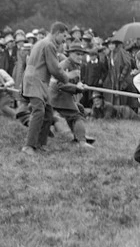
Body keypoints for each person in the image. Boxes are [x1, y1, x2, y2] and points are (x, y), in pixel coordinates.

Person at [20, 21, 70, 156]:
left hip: (37, 82)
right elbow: (55, 69)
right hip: (35, 82)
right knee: (39, 112)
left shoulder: (41, 42)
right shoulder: (49, 45)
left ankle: (40, 144)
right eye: (64, 36)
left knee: (48, 112)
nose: (65, 40)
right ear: (57, 33)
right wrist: (67, 78)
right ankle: (28, 146)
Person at [49, 42, 94, 149]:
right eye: (77, 54)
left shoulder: (76, 65)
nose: (80, 56)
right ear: (70, 54)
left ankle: (77, 136)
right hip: (58, 96)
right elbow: (60, 84)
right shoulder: (64, 65)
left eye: (81, 54)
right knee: (76, 115)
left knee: (80, 109)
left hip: (64, 96)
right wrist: (77, 88)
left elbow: (73, 82)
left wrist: (80, 85)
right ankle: (82, 142)